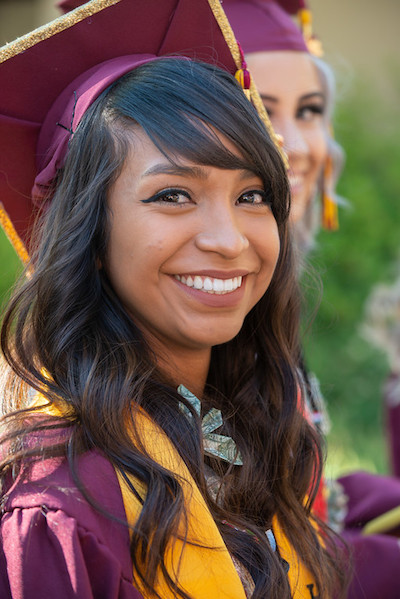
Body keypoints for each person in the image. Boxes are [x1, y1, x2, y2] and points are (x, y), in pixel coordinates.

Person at [0, 1, 344, 598]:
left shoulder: (252, 429)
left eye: (253, 194)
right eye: (173, 195)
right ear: (90, 231)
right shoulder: (59, 509)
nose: (229, 239)